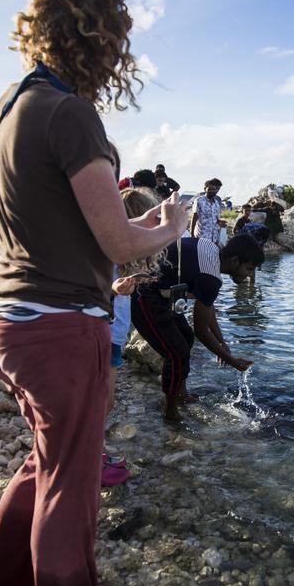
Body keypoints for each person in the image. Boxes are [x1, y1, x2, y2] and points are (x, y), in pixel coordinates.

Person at [0, 0, 188, 586]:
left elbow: (79, 225)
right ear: (102, 41)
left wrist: (140, 226)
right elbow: (117, 242)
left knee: (44, 463)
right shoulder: (72, 112)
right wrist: (170, 225)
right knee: (72, 486)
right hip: (58, 331)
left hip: (5, 320)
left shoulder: (12, 105)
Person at [131, 233, 263, 421]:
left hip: (161, 291)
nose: (249, 275)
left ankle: (181, 394)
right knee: (177, 353)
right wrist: (231, 360)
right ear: (235, 260)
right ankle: (170, 411)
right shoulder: (210, 276)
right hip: (143, 294)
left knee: (185, 336)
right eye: (249, 268)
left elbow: (208, 305)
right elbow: (201, 331)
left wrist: (221, 341)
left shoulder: (211, 249)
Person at [103, 184, 164, 487]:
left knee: (105, 400)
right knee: (104, 399)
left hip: (113, 333)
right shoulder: (107, 253)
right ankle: (90, 459)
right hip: (102, 334)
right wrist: (113, 291)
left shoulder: (122, 256)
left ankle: (90, 452)